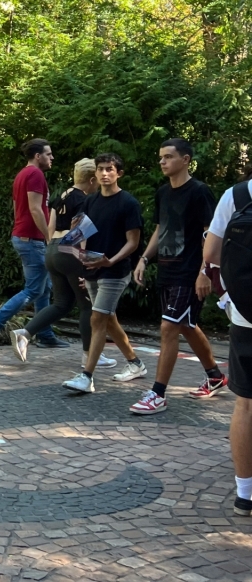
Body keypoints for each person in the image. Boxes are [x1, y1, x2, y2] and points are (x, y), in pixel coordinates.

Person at [129, 139, 225, 415]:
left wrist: (205, 271)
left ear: (185, 160)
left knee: (169, 328)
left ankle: (157, 393)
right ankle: (215, 375)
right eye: (160, 157)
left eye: (168, 157)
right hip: (168, 270)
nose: (162, 162)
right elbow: (161, 230)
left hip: (190, 272)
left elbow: (211, 234)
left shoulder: (199, 192)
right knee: (184, 325)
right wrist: (145, 259)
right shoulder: (163, 193)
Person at [10, 158, 114, 366]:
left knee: (62, 303)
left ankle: (25, 333)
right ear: (92, 180)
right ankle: (89, 355)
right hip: (70, 251)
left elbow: (50, 227)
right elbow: (81, 231)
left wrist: (53, 249)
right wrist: (84, 260)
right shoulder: (85, 200)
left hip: (52, 250)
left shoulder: (60, 197)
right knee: (87, 305)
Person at [62, 153, 147, 394]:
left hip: (116, 271)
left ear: (118, 173)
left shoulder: (128, 203)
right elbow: (82, 235)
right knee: (108, 320)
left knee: (97, 318)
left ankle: (86, 376)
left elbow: (133, 242)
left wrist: (112, 261)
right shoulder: (91, 201)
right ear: (95, 173)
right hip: (92, 269)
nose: (104, 173)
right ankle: (136, 364)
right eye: (100, 169)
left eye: (109, 169)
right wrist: (81, 259)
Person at [0, 139, 70, 349]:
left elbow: (16, 208)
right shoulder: (35, 174)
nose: (52, 158)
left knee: (44, 288)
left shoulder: (21, 175)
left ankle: (45, 335)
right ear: (37, 156)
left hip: (24, 237)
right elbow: (36, 209)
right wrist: (48, 236)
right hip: (32, 240)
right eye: (48, 154)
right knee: (32, 290)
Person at [199, 174, 252, 515]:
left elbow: (212, 253)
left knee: (246, 404)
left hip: (247, 311)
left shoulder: (238, 195)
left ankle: (245, 492)